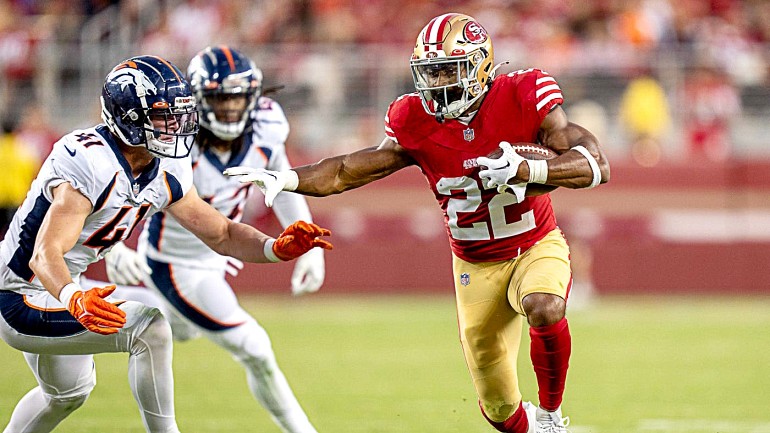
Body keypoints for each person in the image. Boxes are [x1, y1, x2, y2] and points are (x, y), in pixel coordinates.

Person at [226, 13, 610, 433]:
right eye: (431, 72)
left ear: (480, 66)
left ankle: (554, 420)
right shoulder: (415, 119)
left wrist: (527, 170)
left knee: (545, 305)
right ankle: (532, 429)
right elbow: (346, 171)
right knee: (500, 408)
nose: (438, 82)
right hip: (475, 265)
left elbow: (594, 164)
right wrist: (289, 178)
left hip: (534, 243)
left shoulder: (523, 93)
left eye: (449, 69)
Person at [0, 55, 332, 433]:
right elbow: (46, 254)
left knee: (67, 395)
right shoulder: (89, 161)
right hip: (19, 292)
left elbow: (221, 233)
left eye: (180, 114)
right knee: (150, 327)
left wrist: (275, 248)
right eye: (163, 116)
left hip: (65, 286)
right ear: (128, 117)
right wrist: (74, 297)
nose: (175, 125)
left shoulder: (166, 167)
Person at [104, 46, 325, 433]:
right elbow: (124, 188)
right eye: (221, 98)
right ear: (199, 99)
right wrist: (114, 245)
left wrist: (308, 249)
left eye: (238, 98)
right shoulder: (174, 141)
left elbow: (282, 180)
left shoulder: (270, 124)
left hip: (219, 255)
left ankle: (115, 301)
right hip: (175, 263)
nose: (230, 108)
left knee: (179, 328)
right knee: (255, 347)